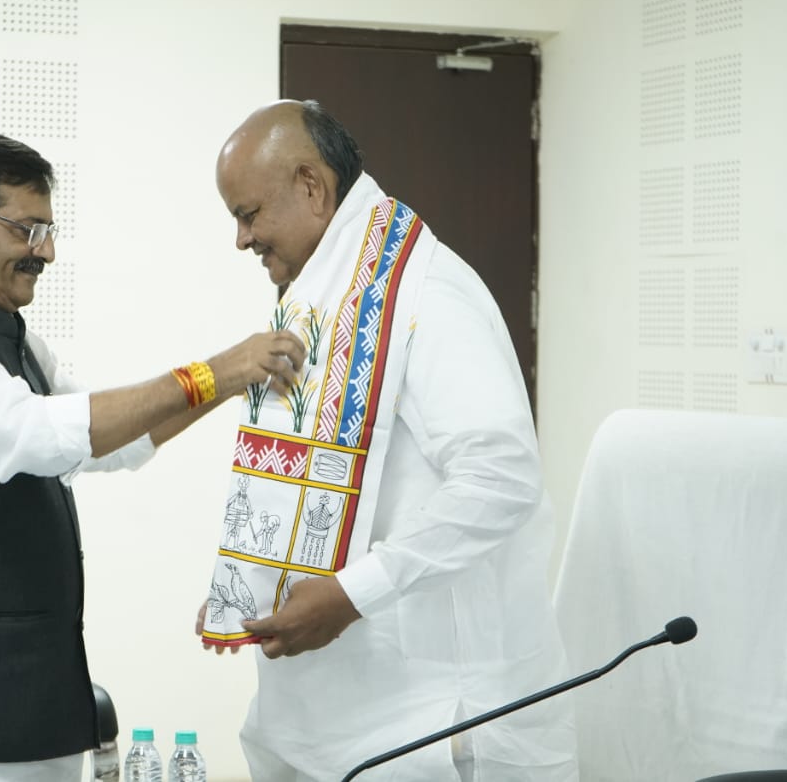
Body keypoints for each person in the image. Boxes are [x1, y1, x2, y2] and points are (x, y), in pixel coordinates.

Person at [0, 133, 305, 782]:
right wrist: (214, 370)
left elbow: (100, 443)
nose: (47, 251)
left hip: (28, 715)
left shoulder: (11, 340)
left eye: (50, 230)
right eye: (28, 229)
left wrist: (230, 382)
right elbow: (36, 435)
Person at [196, 101, 578, 781]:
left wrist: (353, 592)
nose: (241, 239)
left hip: (425, 724)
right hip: (320, 720)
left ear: (312, 187)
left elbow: (502, 478)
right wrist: (250, 582)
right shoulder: (321, 295)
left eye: (248, 213)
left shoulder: (427, 295)